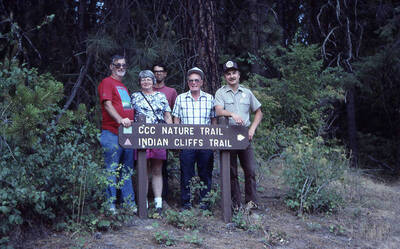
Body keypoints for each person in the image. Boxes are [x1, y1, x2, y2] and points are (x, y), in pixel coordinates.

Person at [214, 60, 263, 209]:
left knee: (250, 170)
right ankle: (235, 203)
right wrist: (232, 114)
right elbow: (218, 110)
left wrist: (252, 129)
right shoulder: (220, 92)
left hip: (244, 135)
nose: (231, 76)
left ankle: (251, 202)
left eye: (234, 73)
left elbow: (259, 112)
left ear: (239, 75)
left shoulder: (247, 93)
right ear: (225, 76)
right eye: (228, 74)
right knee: (231, 171)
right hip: (228, 135)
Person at [172, 67, 216, 210]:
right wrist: (177, 140)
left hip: (205, 142)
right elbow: (176, 120)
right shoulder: (180, 98)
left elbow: (213, 121)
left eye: (196, 80)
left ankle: (205, 204)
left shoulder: (210, 98)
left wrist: (213, 140)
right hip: (186, 142)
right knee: (186, 174)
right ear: (188, 82)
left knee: (205, 174)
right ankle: (186, 204)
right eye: (191, 80)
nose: (194, 83)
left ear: (202, 82)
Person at [130, 70, 173, 215]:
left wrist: (170, 134)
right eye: (143, 80)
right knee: (142, 170)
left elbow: (167, 115)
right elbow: (130, 115)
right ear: (140, 82)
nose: (146, 82)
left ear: (153, 81)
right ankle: (143, 202)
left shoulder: (161, 96)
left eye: (148, 79)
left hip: (158, 137)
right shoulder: (135, 97)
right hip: (140, 138)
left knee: (156, 170)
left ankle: (158, 203)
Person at [98, 54, 136, 214]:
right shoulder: (107, 82)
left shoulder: (123, 87)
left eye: (124, 65)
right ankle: (111, 205)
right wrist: (120, 119)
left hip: (127, 134)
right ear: (111, 66)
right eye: (118, 65)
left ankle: (128, 204)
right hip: (112, 133)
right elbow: (107, 105)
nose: (121, 68)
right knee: (112, 169)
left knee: (127, 169)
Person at [152, 63, 178, 200]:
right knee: (147, 166)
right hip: (148, 134)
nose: (158, 74)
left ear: (165, 74)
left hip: (164, 133)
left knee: (162, 166)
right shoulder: (146, 89)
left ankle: (163, 196)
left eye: (161, 71)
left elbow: (174, 113)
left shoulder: (171, 92)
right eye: (155, 72)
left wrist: (173, 133)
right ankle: (148, 196)